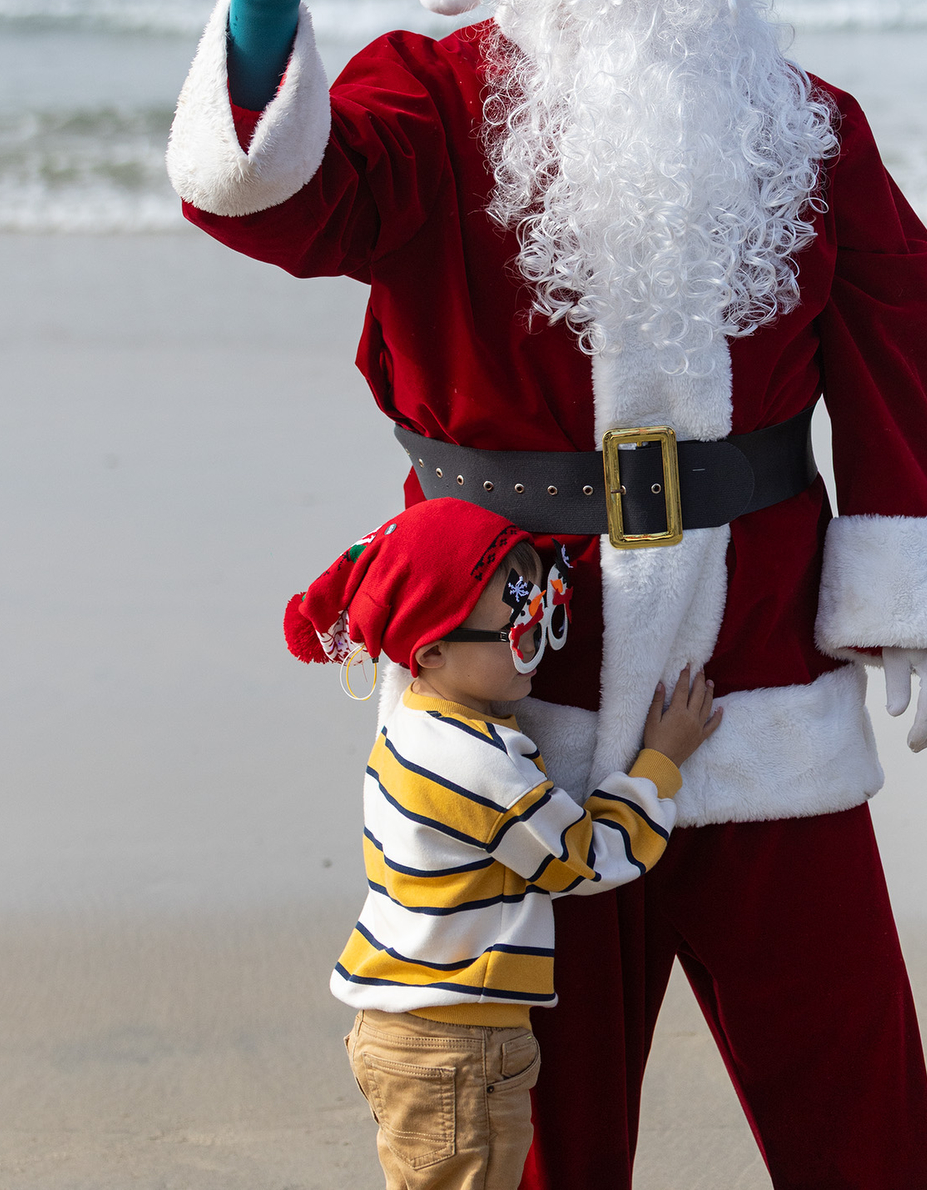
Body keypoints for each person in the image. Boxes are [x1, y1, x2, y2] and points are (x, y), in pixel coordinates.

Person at [163, 0, 927, 1189]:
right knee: (543, 1135)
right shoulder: (425, 100)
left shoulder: (800, 119)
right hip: (518, 705)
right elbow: (283, 196)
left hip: (761, 685)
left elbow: (899, 309)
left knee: (859, 1113)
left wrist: (907, 579)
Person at [285, 498, 720, 1190]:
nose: (540, 645)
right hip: (457, 1049)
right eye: (518, 634)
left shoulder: (415, 728)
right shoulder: (479, 763)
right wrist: (659, 764)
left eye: (548, 614)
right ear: (431, 651)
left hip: (406, 1032)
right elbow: (584, 858)